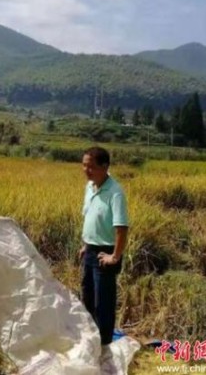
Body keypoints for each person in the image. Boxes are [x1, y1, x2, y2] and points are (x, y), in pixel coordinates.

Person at [79, 146, 129, 345]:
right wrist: (85, 245)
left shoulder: (115, 192)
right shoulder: (90, 187)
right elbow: (90, 218)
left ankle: (105, 344)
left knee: (104, 303)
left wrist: (115, 257)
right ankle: (91, 340)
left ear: (105, 166)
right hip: (90, 250)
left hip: (105, 254)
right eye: (84, 165)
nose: (86, 170)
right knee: (88, 298)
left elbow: (121, 228)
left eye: (91, 166)